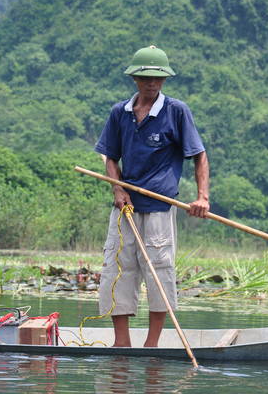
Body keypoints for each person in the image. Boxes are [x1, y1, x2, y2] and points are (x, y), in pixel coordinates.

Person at [94, 45, 210, 348]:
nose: (152, 83)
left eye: (158, 79)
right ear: (135, 78)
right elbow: (110, 157)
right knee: (117, 270)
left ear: (164, 80)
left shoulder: (176, 111)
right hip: (124, 209)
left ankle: (152, 344)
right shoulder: (120, 113)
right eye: (146, 78)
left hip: (160, 207)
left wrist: (202, 198)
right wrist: (118, 189)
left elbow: (198, 155)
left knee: (159, 272)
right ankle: (122, 343)